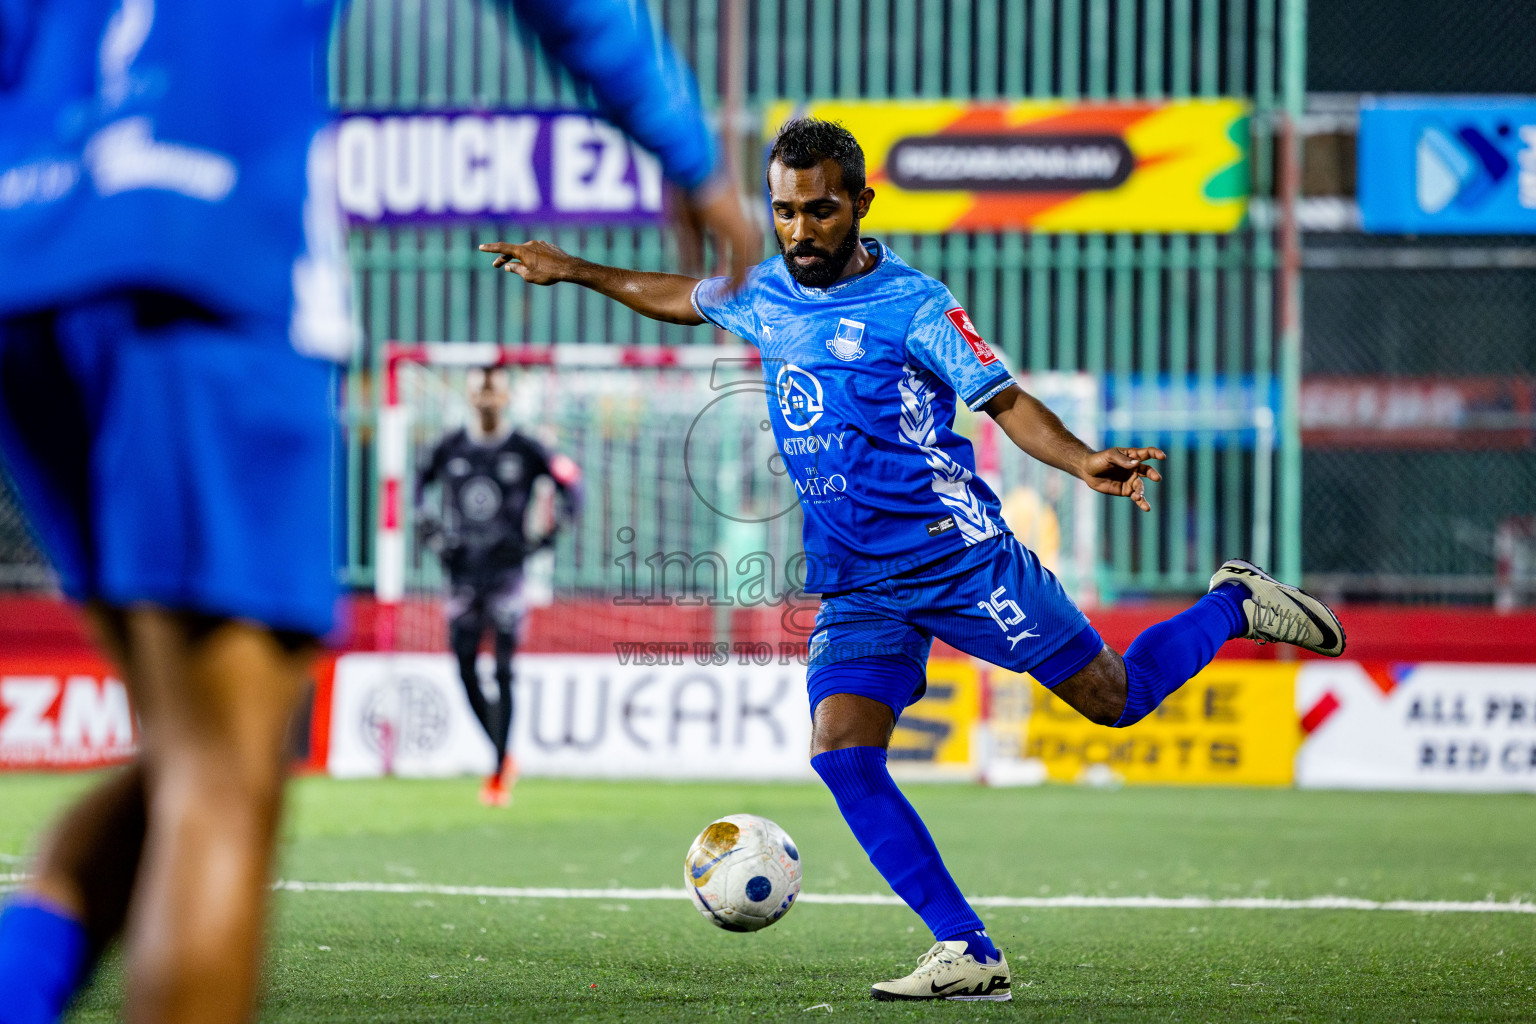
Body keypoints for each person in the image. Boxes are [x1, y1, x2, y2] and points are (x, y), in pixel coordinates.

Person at [0, 1, 757, 1021]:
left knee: (194, 751)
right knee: (220, 775)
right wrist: (689, 152)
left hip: (27, 263)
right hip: (195, 248)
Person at [480, 116, 1346, 1004]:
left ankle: (1232, 604)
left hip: (959, 561)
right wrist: (574, 269)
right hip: (857, 582)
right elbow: (680, 295)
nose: (799, 231)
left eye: (819, 211)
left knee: (1115, 701)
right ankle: (967, 949)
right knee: (843, 753)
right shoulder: (767, 291)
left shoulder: (915, 306)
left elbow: (1004, 401)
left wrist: (1085, 459)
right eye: (783, 212)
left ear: (860, 203)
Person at [416, 365, 582, 807]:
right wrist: (428, 530)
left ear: (506, 398)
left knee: (505, 670)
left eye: (494, 393)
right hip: (462, 575)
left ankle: (496, 772)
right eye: (479, 392)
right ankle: (503, 754)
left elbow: (572, 486)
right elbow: (415, 486)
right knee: (466, 670)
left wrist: (549, 534)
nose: (486, 400)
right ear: (469, 397)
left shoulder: (527, 448)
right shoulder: (448, 446)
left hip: (508, 574)